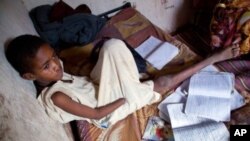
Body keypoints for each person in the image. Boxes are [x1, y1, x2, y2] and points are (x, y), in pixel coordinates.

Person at [5, 34, 240, 128]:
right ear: (29, 76)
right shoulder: (56, 97)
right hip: (106, 109)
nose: (55, 64)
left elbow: (78, 79)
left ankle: (133, 81)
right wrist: (125, 97)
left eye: (54, 56)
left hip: (95, 88)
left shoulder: (56, 74)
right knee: (161, 82)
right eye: (47, 66)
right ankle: (214, 58)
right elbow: (97, 115)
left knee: (110, 47)